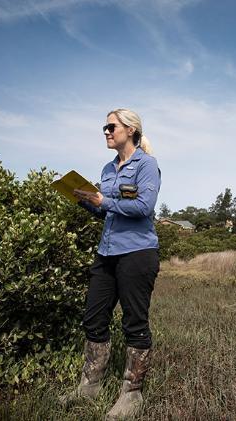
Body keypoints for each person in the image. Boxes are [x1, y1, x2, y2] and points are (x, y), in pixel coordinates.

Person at [65, 108, 161, 420]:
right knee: (93, 317)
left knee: (134, 322)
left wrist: (102, 201)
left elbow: (144, 206)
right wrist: (83, 199)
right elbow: (107, 211)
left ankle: (131, 396)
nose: (106, 131)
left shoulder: (147, 165)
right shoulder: (108, 168)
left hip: (137, 253)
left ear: (130, 130)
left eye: (111, 126)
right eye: (104, 127)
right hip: (106, 253)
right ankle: (90, 386)